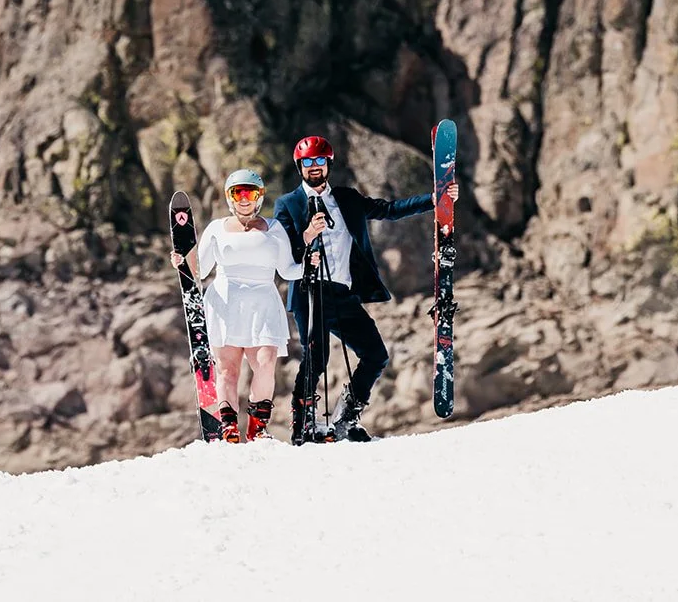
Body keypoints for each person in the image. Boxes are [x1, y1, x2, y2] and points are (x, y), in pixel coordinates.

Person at [274, 134, 461, 444]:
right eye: (308, 162)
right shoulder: (288, 204)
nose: (314, 167)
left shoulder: (346, 198)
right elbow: (283, 250)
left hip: (342, 293)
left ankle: (346, 418)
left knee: (376, 354)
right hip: (310, 291)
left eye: (320, 161)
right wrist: (307, 235)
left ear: (328, 164)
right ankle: (303, 424)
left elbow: (388, 210)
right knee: (316, 358)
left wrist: (435, 199)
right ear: (300, 166)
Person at [170, 168, 313, 442]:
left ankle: (258, 426)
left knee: (266, 361)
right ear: (229, 197)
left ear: (259, 197)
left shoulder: (274, 229)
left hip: (263, 303)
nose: (244, 198)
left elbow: (288, 270)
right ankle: (228, 425)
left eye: (250, 192)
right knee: (228, 369)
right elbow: (199, 270)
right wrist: (181, 262)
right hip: (226, 303)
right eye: (238, 193)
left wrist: (308, 262)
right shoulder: (217, 229)